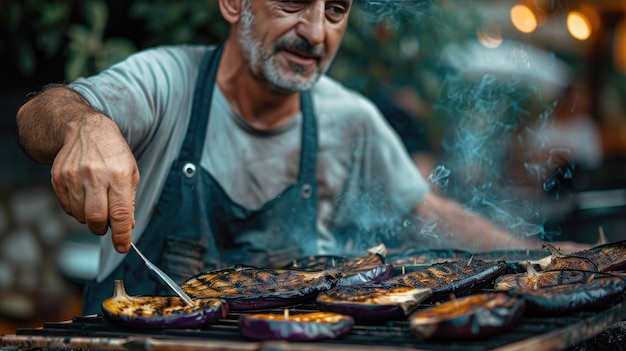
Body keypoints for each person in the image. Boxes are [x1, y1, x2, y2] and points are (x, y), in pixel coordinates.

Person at [16, 0, 588, 314]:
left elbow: (428, 214)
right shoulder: (166, 81)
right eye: (293, 3)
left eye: (335, 11)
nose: (315, 33)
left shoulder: (350, 120)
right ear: (234, 3)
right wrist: (85, 123)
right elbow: (36, 119)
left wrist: (545, 259)